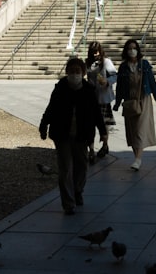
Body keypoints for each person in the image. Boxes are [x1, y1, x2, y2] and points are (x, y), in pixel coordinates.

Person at [39, 57, 108, 215]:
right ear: (67, 72)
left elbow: (96, 113)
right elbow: (51, 109)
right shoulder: (60, 88)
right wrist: (44, 125)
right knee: (65, 168)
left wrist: (103, 131)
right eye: (72, 71)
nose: (75, 74)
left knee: (81, 166)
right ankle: (68, 203)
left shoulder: (89, 90)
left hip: (82, 134)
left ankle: (77, 191)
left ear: (83, 73)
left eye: (78, 71)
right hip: (62, 134)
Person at [112, 38, 156, 170]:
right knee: (132, 130)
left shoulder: (144, 64)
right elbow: (120, 87)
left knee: (140, 129)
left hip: (143, 99)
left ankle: (138, 159)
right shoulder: (123, 67)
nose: (132, 51)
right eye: (129, 48)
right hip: (129, 101)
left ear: (138, 50)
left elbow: (152, 81)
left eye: (134, 48)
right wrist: (117, 103)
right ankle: (136, 158)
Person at [85, 41, 117, 162]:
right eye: (93, 52)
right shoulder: (88, 62)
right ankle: (91, 149)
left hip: (103, 98)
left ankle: (104, 145)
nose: (96, 54)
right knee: (90, 125)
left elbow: (114, 75)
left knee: (104, 124)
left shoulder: (106, 61)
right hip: (91, 98)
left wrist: (107, 81)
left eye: (97, 51)